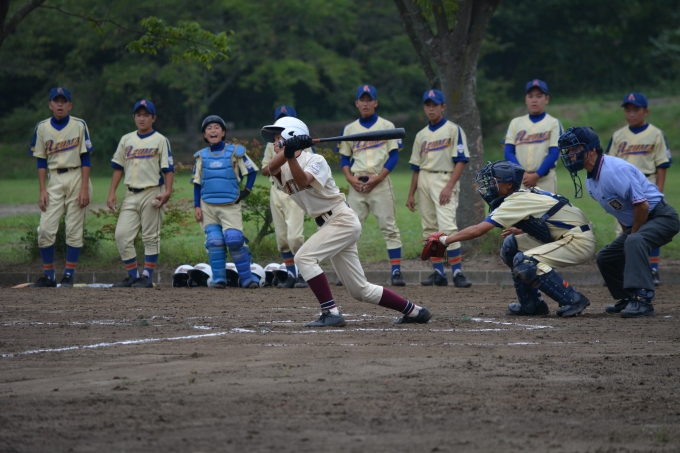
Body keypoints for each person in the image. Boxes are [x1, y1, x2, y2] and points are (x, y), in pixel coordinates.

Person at [261, 117, 431, 327]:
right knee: (360, 290)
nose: (274, 143)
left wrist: (291, 152)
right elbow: (270, 168)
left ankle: (330, 312)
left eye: (278, 138)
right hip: (328, 225)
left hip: (341, 219)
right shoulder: (281, 166)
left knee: (304, 258)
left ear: (291, 135)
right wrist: (289, 150)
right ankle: (415, 312)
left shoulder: (316, 161)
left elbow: (303, 181)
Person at [426, 160, 595, 317]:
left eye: (494, 181)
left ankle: (573, 299)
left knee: (526, 262)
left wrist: (445, 240)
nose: (489, 186)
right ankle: (532, 305)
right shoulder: (521, 195)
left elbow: (477, 230)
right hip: (568, 235)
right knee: (511, 246)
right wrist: (522, 230)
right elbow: (551, 219)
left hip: (578, 241)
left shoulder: (515, 201)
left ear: (508, 185)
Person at [559, 126, 680, 318]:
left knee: (634, 240)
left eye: (575, 149)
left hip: (662, 217)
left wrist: (632, 234)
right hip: (643, 219)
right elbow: (620, 211)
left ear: (591, 150)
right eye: (569, 150)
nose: (570, 154)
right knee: (605, 256)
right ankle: (628, 297)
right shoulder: (591, 181)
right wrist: (628, 234)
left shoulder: (614, 170)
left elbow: (643, 206)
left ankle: (643, 299)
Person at [337, 85, 405, 286]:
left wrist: (379, 178)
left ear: (376, 102)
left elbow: (394, 156)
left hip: (380, 182)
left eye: (369, 99)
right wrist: (349, 179)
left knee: (389, 227)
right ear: (356, 103)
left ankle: (396, 272)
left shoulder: (387, 126)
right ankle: (349, 273)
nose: (365, 103)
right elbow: (344, 157)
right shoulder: (349, 129)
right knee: (350, 230)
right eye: (362, 99)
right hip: (356, 184)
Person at [28, 87, 93, 287]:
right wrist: (42, 190)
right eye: (56, 101)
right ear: (50, 105)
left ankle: (68, 275)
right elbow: (41, 161)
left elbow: (86, 158)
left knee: (74, 228)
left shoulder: (79, 125)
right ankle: (49, 276)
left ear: (70, 105)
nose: (60, 104)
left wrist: (84, 188)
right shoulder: (42, 128)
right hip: (54, 179)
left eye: (64, 101)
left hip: (77, 176)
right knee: (45, 229)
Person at [406, 89, 472, 288]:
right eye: (428, 105)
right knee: (429, 228)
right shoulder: (421, 135)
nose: (431, 108)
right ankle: (439, 273)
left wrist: (449, 186)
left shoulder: (453, 130)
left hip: (444, 178)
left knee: (448, 228)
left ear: (443, 107)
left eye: (435, 105)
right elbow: (416, 167)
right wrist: (411, 194)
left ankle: (458, 272)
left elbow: (461, 160)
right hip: (424, 179)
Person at [605, 92, 671, 286]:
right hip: (622, 188)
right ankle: (626, 268)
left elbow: (662, 165)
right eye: (628, 110)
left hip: (647, 184)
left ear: (646, 111)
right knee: (624, 229)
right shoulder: (618, 136)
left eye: (636, 110)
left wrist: (659, 191)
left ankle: (653, 268)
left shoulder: (655, 134)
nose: (631, 114)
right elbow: (608, 163)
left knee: (650, 228)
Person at [107, 100, 174, 288]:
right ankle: (133, 275)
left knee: (150, 236)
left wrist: (168, 192)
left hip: (153, 192)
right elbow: (118, 167)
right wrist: (112, 192)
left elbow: (168, 169)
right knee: (121, 235)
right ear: (134, 117)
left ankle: (147, 276)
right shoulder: (126, 139)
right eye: (139, 115)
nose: (142, 118)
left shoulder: (160, 140)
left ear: (153, 118)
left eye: (146, 115)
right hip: (130, 193)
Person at [191, 115, 261, 288]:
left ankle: (247, 280)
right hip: (207, 206)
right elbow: (197, 183)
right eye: (209, 128)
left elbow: (252, 171)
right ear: (204, 135)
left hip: (230, 205)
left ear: (223, 132)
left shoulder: (235, 152)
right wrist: (197, 206)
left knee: (234, 239)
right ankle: (219, 279)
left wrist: (247, 190)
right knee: (214, 241)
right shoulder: (201, 156)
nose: (213, 131)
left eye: (216, 127)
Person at [261, 105, 310, 289]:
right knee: (282, 239)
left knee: (295, 238)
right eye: (280, 119)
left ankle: (304, 274)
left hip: (294, 191)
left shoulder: (302, 142)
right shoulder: (271, 145)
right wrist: (279, 158)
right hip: (277, 190)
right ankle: (291, 275)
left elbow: (307, 168)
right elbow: (265, 169)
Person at [504, 79, 563, 194]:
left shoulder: (553, 123)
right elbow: (508, 152)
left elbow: (554, 153)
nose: (534, 100)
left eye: (539, 96)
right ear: (525, 99)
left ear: (546, 99)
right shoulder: (516, 123)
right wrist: (522, 173)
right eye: (530, 96)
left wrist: (537, 175)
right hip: (520, 180)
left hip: (545, 180)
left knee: (547, 206)